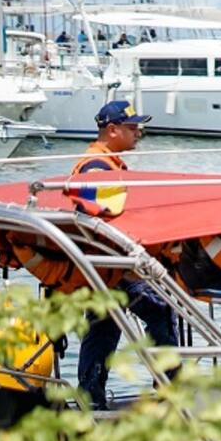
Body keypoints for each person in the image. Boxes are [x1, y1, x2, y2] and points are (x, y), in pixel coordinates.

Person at [73, 101, 178, 410]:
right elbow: (94, 218)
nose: (139, 133)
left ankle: (91, 398)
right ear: (112, 130)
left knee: (103, 327)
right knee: (159, 310)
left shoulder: (104, 162)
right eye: (132, 128)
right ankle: (170, 388)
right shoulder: (97, 167)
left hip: (100, 267)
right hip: (109, 266)